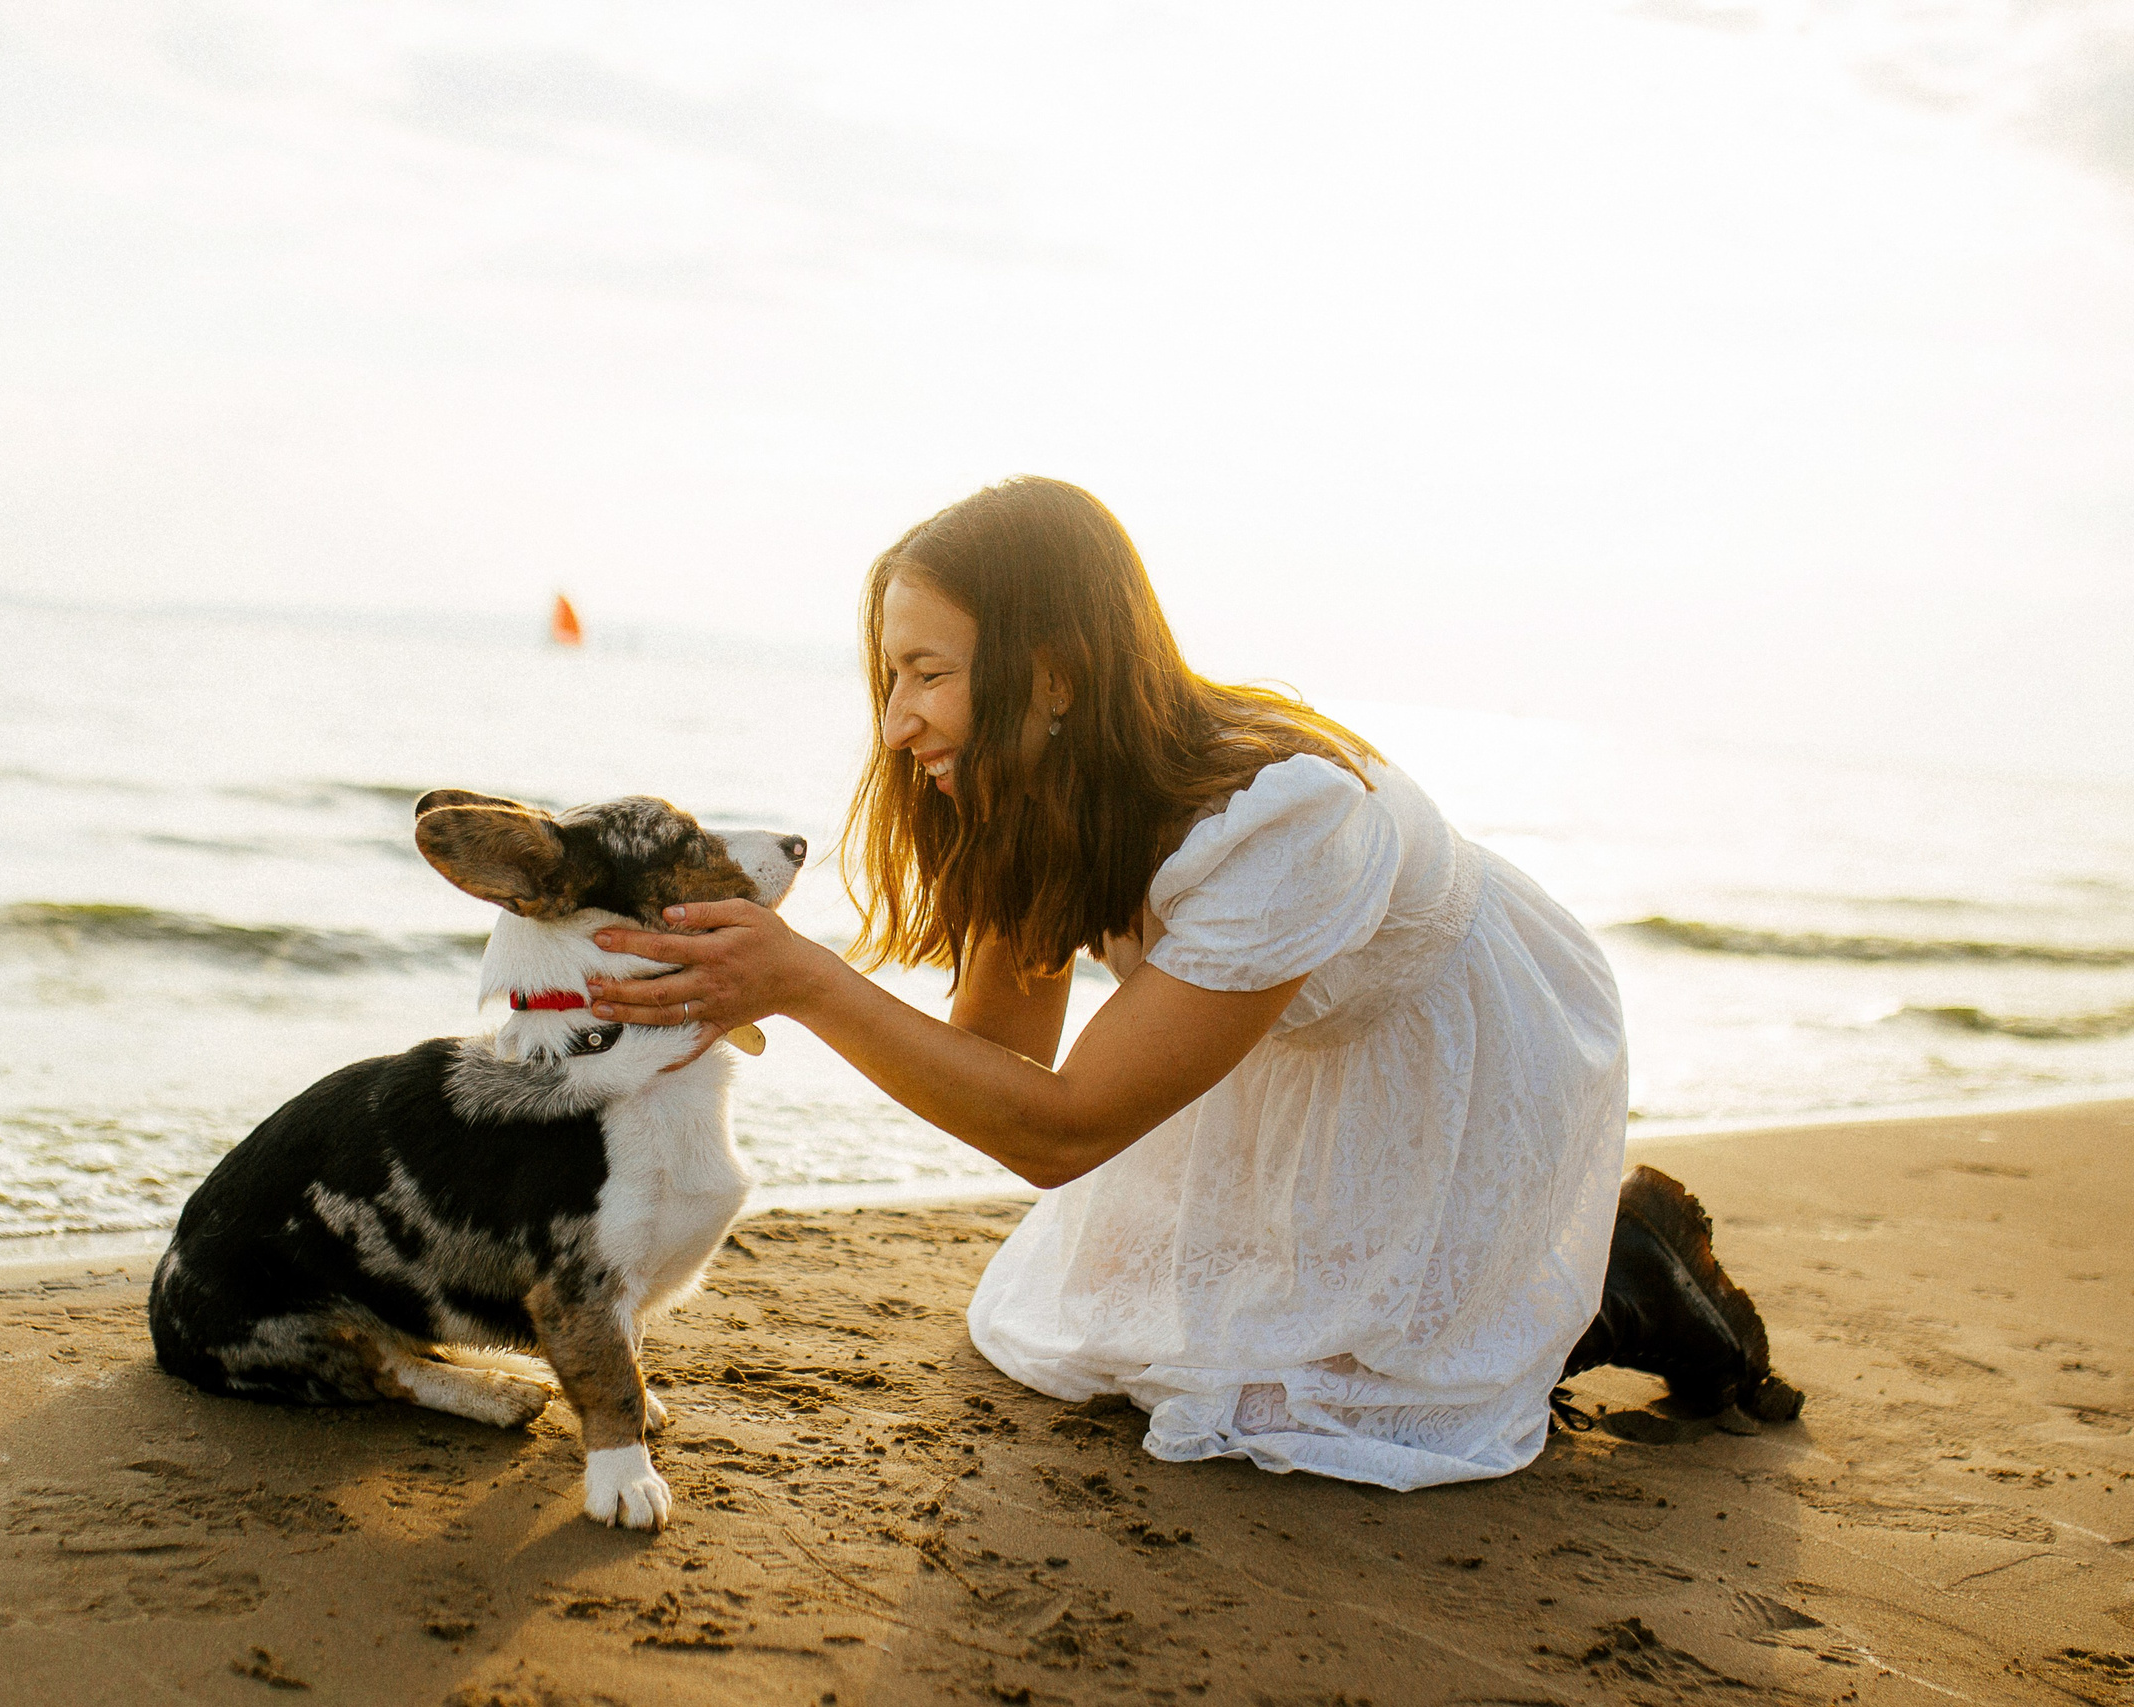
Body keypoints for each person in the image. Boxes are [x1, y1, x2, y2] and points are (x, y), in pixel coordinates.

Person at [585, 477, 1798, 1491]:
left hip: (1459, 1035)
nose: (898, 723)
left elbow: (1060, 1134)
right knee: (1112, 1340)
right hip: (1269, 1037)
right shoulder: (1025, 794)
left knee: (1328, 1405)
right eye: (889, 679)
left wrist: (803, 981)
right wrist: (769, 989)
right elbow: (1003, 1054)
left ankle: (1614, 1275)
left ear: (1053, 676)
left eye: (927, 674)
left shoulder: (1287, 820)